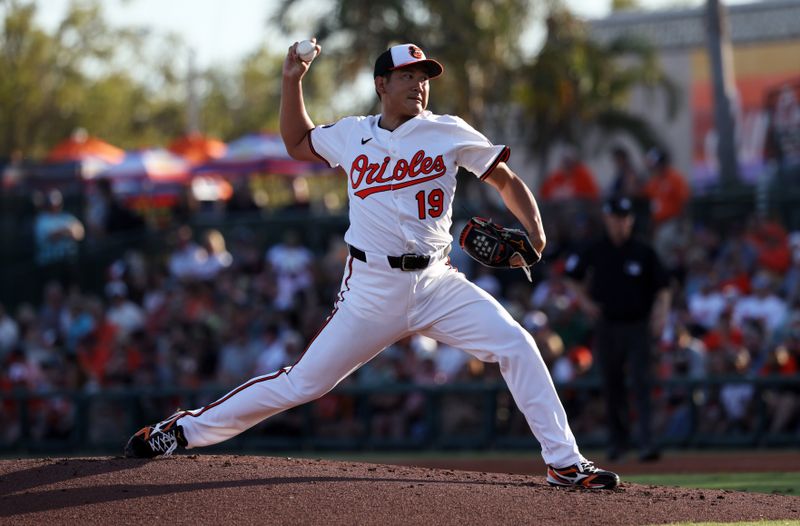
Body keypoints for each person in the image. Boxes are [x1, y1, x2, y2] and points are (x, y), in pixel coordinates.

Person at [124, 40, 619, 489]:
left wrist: (536, 230)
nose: (419, 85)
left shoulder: (447, 131)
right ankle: (182, 429)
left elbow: (505, 180)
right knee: (305, 382)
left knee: (516, 343)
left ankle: (564, 461)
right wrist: (291, 81)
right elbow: (297, 143)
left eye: (424, 77)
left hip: (436, 281)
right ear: (381, 84)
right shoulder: (352, 134)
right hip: (370, 287)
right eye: (408, 76)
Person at [564, 196, 671, 462]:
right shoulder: (596, 249)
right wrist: (586, 303)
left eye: (624, 218)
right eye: (615, 217)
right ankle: (618, 443)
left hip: (637, 325)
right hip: (608, 325)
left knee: (641, 383)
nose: (620, 223)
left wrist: (661, 314)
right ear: (607, 219)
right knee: (612, 385)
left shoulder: (643, 250)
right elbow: (571, 277)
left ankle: (646, 442)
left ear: (630, 220)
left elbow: (664, 286)